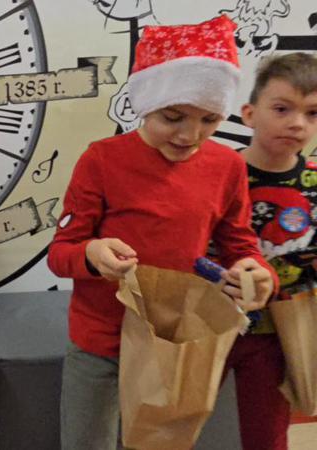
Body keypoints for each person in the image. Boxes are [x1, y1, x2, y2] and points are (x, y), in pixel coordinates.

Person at [46, 15, 277, 450]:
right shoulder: (101, 160)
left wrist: (256, 272)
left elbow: (240, 244)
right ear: (146, 103)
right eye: (173, 117)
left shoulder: (227, 167)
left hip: (174, 344)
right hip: (101, 343)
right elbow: (61, 254)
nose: (190, 135)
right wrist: (91, 253)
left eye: (210, 119)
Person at [228, 52, 317, 450]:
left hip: (277, 336)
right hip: (208, 324)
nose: (297, 123)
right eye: (282, 109)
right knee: (176, 425)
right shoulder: (216, 175)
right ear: (249, 114)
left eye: (312, 114)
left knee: (266, 436)